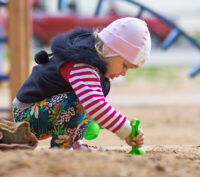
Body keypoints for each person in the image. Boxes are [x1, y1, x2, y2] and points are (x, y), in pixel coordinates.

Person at [12, 17, 151, 150]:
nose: (123, 73)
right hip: (26, 115)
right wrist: (126, 130)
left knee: (85, 97)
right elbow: (95, 104)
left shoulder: (94, 61)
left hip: (44, 108)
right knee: (84, 100)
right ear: (111, 50)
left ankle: (75, 143)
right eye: (124, 65)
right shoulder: (82, 63)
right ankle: (63, 147)